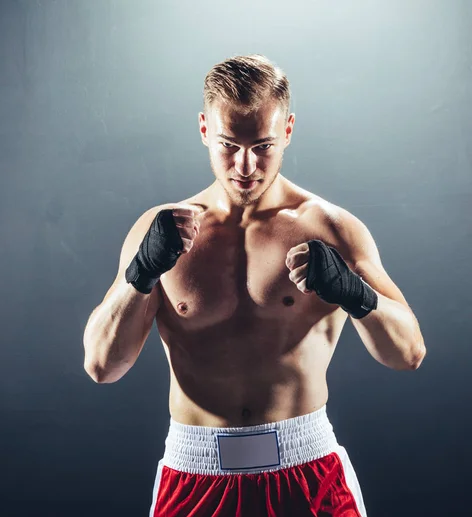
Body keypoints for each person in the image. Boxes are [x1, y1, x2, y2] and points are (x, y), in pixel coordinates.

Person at [82, 54, 425, 517]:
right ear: (204, 129)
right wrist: (141, 273)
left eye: (262, 145)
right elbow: (102, 366)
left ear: (287, 131)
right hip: (195, 474)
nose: (245, 165)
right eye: (229, 144)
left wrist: (356, 294)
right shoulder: (160, 230)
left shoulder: (331, 228)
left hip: (307, 472)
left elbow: (408, 354)